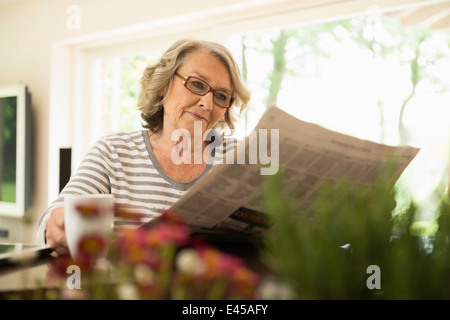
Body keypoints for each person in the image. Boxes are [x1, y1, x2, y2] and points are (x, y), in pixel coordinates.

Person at [37, 39, 251, 256]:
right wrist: (56, 225)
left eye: (221, 96)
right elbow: (54, 219)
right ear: (163, 86)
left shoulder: (243, 157)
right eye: (197, 84)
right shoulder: (113, 152)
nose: (207, 104)